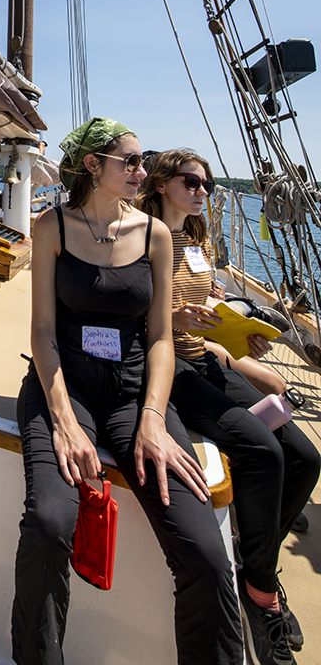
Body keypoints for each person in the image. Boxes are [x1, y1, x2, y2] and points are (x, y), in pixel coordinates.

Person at [12, 117, 243, 665]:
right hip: (65, 390)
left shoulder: (155, 234)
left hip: (133, 395)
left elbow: (161, 337)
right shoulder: (53, 227)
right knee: (48, 523)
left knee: (207, 554)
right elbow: (42, 331)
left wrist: (154, 419)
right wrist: (65, 423)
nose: (143, 170)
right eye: (131, 161)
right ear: (93, 166)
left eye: (143, 161)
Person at [139, 149, 320, 663]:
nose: (202, 191)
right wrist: (183, 320)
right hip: (173, 367)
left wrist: (236, 334)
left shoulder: (196, 242)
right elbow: (143, 321)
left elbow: (205, 309)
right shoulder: (145, 240)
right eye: (191, 181)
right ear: (160, 184)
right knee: (265, 453)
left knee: (306, 459)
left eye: (208, 184)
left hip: (207, 358)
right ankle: (263, 595)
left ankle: (255, 561)